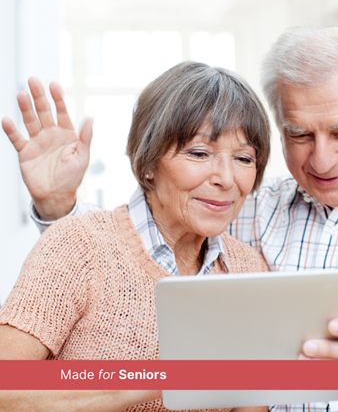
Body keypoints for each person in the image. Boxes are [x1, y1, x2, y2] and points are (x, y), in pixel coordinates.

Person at [3, 26, 338, 411]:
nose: (322, 160)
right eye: (299, 135)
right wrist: (60, 209)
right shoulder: (254, 208)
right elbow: (133, 243)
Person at [0, 62, 271, 412]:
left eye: (244, 158)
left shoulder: (249, 271)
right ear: (149, 162)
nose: (226, 178)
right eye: (199, 153)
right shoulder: (80, 244)